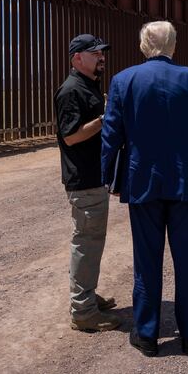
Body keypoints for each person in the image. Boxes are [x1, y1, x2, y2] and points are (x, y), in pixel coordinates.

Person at [101, 21, 188, 357]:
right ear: (173, 45)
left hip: (142, 183)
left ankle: (148, 335)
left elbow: (112, 134)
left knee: (147, 261)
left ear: (143, 45)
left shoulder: (124, 81)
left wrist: (109, 176)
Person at [55, 34, 120, 332]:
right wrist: (104, 120)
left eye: (102, 53)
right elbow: (70, 135)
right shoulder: (70, 91)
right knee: (86, 242)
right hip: (83, 180)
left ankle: (87, 296)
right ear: (77, 58)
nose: (101, 57)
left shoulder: (87, 86)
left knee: (92, 242)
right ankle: (83, 310)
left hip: (94, 178)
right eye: (95, 54)